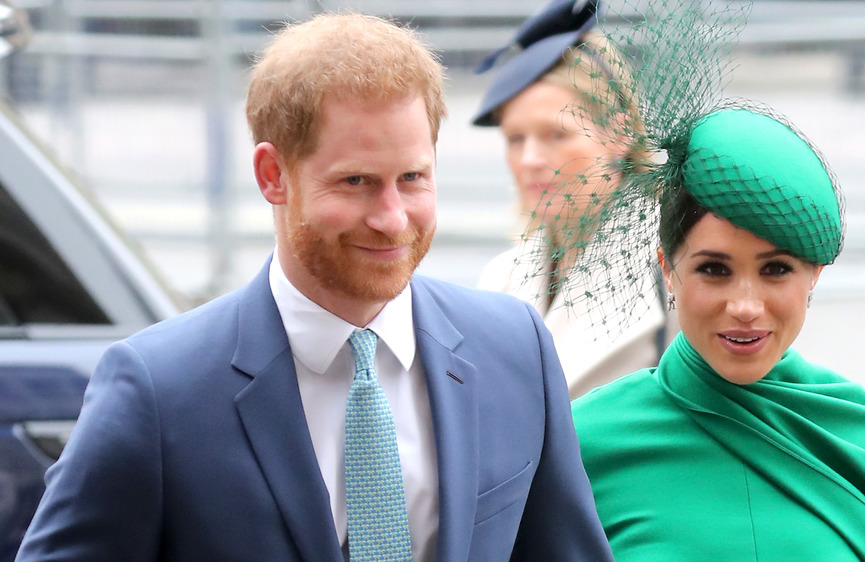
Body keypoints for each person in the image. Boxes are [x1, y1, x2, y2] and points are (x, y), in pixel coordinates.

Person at [16, 13, 613, 562]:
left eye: (412, 178)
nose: (392, 217)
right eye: (355, 182)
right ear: (273, 175)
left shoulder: (514, 348)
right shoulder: (156, 388)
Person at [572, 105, 865, 560]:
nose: (745, 307)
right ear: (667, 269)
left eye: (775, 269)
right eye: (714, 269)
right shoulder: (586, 446)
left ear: (815, 275)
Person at [472, 0, 674, 398]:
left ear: (619, 134)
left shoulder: (676, 266)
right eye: (515, 139)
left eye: (556, 134)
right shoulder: (501, 277)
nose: (529, 160)